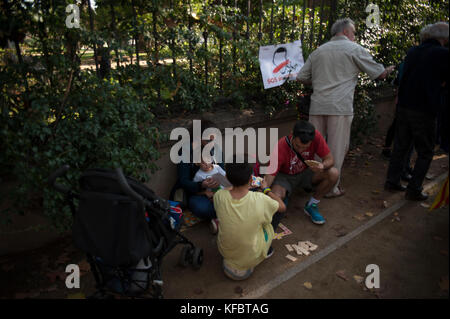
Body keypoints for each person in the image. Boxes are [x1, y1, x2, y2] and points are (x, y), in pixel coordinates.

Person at [297, 18, 395, 198]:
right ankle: (330, 188)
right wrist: (388, 70)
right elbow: (379, 73)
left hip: (318, 105)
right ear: (346, 32)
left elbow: (301, 77)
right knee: (335, 149)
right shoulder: (354, 49)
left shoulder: (319, 51)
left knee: (315, 147)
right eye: (354, 32)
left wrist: (320, 81)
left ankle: (313, 182)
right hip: (339, 107)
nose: (355, 36)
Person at [385, 22, 449, 200]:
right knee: (426, 151)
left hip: (405, 106)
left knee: (401, 146)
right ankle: (413, 189)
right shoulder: (443, 54)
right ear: (444, 38)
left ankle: (392, 180)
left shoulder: (414, 51)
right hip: (425, 109)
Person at [213, 155, 286, 281]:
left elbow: (229, 190)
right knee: (274, 212)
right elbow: (282, 207)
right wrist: (266, 190)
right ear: (251, 178)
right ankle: (266, 249)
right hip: (251, 256)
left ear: (227, 177)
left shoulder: (219, 195)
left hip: (225, 251)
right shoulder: (260, 199)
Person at [263, 120, 339, 225]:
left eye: (305, 147)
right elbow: (270, 174)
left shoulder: (316, 136)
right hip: (285, 176)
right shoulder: (281, 145)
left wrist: (322, 166)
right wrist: (264, 191)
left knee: (334, 173)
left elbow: (330, 159)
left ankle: (312, 205)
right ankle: (278, 204)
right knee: (276, 195)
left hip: (305, 172)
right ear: (292, 135)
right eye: (297, 146)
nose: (301, 150)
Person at [172, 119, 224, 233]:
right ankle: (226, 214)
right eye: (208, 140)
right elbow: (183, 181)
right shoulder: (186, 151)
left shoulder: (215, 148)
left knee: (239, 193)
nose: (212, 143)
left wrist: (219, 186)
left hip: (218, 189)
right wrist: (202, 186)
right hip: (197, 193)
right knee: (202, 208)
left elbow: (222, 170)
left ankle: (221, 216)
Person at [192, 154, 227, 233]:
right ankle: (219, 221)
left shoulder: (217, 168)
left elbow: (226, 176)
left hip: (224, 191)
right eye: (203, 163)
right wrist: (205, 192)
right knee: (220, 204)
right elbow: (195, 190)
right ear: (197, 163)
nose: (206, 164)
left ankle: (225, 220)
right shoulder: (198, 175)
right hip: (213, 196)